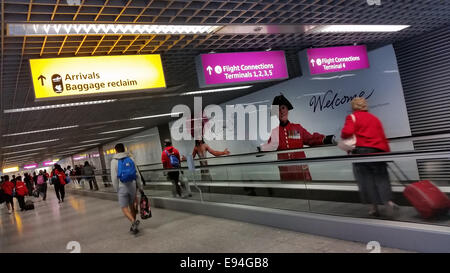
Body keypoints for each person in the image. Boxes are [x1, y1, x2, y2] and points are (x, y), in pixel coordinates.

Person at [341, 97, 398, 217]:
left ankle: (373, 208)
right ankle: (388, 202)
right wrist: (387, 154)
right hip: (378, 152)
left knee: (366, 181)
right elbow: (382, 137)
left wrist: (345, 134)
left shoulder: (352, 117)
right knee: (382, 179)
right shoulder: (375, 119)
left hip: (361, 153)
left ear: (353, 107)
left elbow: (347, 132)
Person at [260, 94, 335, 181]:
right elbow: (271, 145)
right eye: (278, 110)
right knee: (291, 192)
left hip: (301, 169)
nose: (281, 111)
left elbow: (310, 139)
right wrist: (261, 149)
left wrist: (325, 139)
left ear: (287, 109)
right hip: (286, 172)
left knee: (306, 192)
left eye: (283, 108)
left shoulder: (297, 128)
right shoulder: (275, 132)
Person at [110, 143, 144, 235]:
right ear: (124, 149)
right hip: (132, 185)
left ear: (116, 150)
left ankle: (133, 222)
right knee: (132, 206)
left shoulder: (114, 161)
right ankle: (134, 224)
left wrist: (117, 189)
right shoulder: (131, 158)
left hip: (122, 186)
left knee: (124, 208)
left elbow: (113, 178)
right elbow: (137, 174)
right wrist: (140, 187)